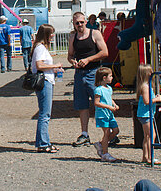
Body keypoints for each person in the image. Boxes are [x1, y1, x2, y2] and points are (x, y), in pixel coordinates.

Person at [68, 11, 109, 147]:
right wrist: (73, 62)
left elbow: (104, 52)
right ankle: (84, 134)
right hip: (80, 74)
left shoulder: (95, 33)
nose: (79, 25)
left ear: (86, 21)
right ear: (73, 24)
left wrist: (88, 59)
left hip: (94, 73)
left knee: (101, 103)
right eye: (76, 23)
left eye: (81, 22)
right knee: (82, 105)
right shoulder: (73, 37)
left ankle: (109, 133)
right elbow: (70, 55)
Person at [31, 24, 63, 153]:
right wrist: (55, 65)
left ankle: (44, 141)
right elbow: (39, 65)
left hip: (47, 80)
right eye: (51, 34)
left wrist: (54, 69)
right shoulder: (40, 48)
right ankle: (43, 143)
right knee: (45, 114)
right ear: (46, 35)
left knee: (45, 113)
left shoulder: (41, 47)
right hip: (44, 82)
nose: (53, 36)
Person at [136, 63, 161, 165]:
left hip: (145, 114)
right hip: (146, 114)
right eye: (150, 71)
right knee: (151, 135)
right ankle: (150, 157)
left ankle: (145, 156)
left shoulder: (145, 86)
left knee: (147, 136)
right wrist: (157, 99)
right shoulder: (145, 87)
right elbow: (147, 101)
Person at [93, 66, 120, 162]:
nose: (112, 78)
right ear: (104, 78)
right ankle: (105, 153)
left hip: (109, 114)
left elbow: (109, 98)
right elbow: (96, 102)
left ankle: (101, 144)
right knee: (106, 132)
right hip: (102, 114)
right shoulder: (98, 90)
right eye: (110, 76)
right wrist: (109, 107)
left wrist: (114, 104)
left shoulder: (109, 88)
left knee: (116, 130)